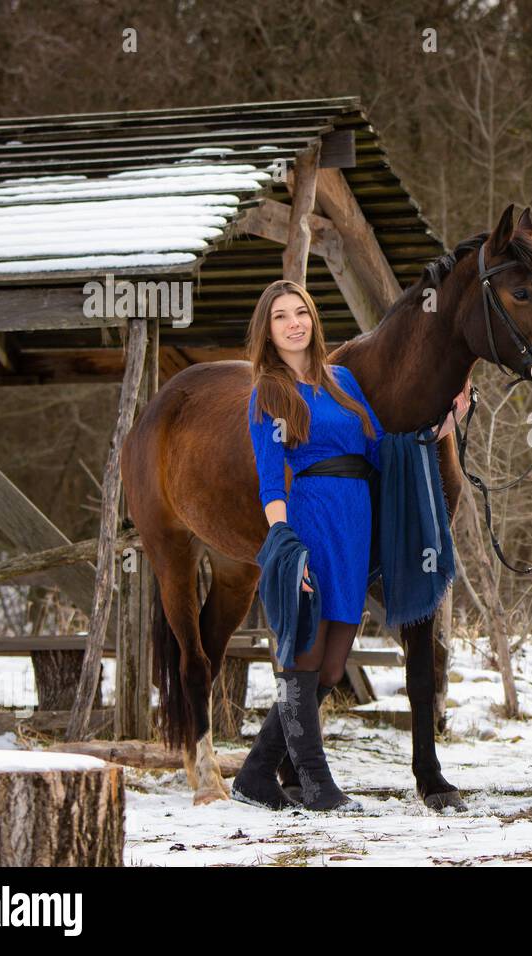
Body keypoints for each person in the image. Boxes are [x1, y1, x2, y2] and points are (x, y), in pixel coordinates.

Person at [232, 279, 383, 812]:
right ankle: (315, 784)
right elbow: (272, 482)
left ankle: (256, 774)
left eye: (302, 312)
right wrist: (285, 543)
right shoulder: (268, 393)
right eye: (280, 316)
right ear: (267, 331)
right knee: (306, 653)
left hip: (355, 523)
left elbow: (380, 445)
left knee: (334, 666)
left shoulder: (342, 382)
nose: (294, 322)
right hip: (311, 521)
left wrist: (441, 421)